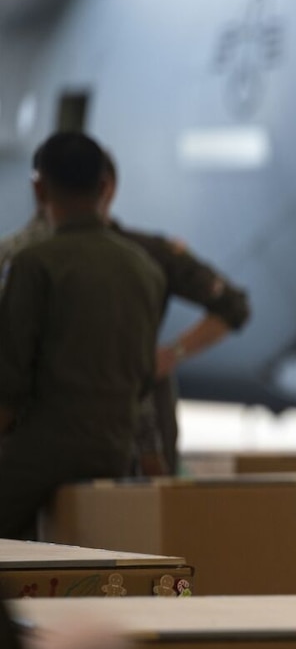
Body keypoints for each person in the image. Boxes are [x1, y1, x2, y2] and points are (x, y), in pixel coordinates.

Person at [0, 153, 251, 475]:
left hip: (107, 427)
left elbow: (233, 306)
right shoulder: (40, 258)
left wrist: (169, 355)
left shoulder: (142, 253)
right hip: (88, 432)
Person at [0, 132, 165, 539]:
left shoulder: (32, 263)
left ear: (39, 188)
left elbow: (9, 384)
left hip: (39, 455)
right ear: (104, 187)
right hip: (113, 451)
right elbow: (143, 378)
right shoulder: (145, 269)